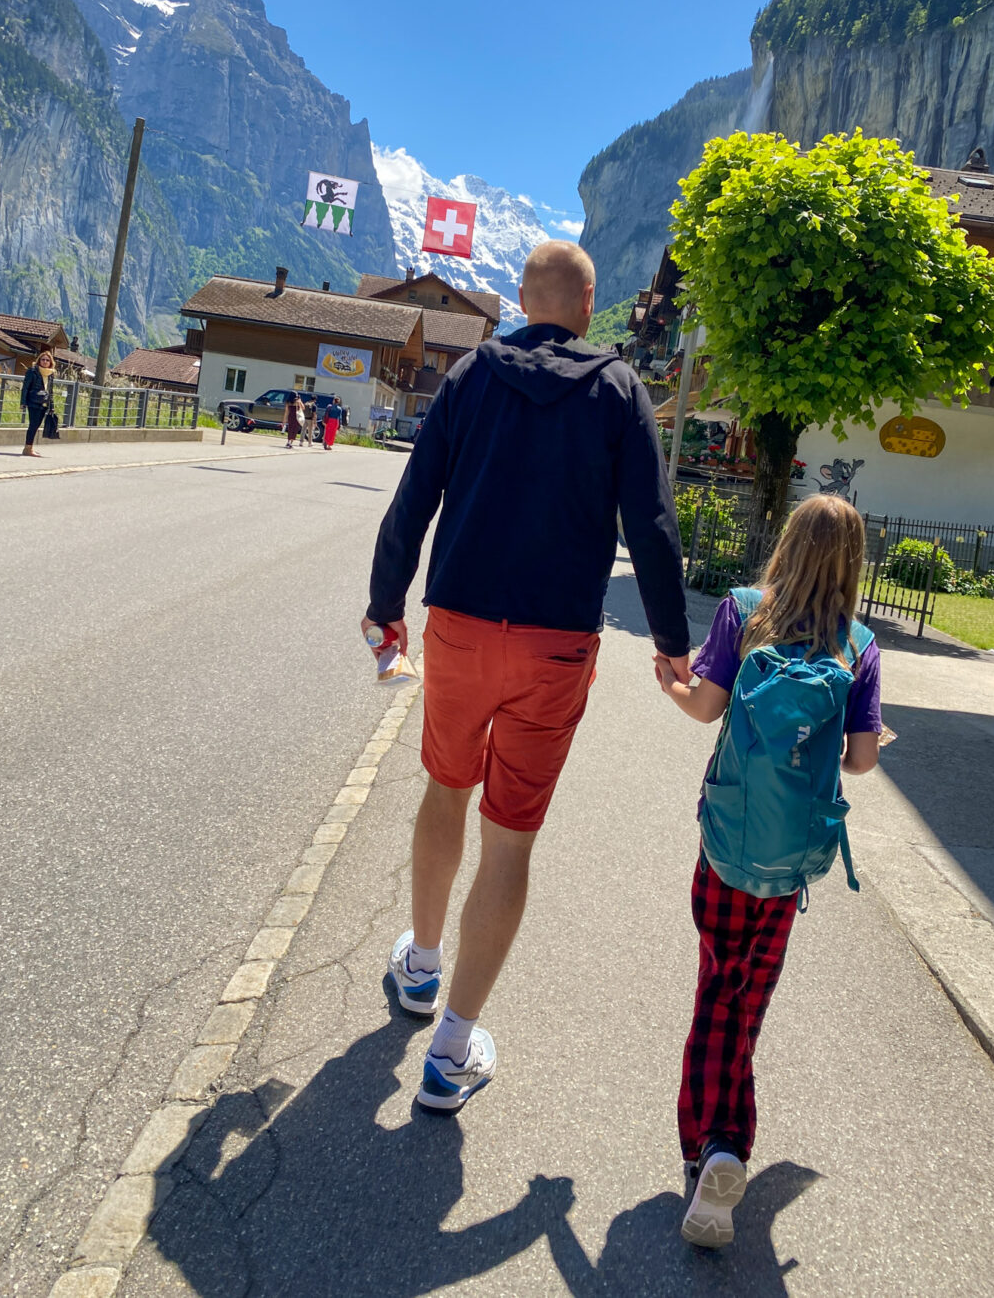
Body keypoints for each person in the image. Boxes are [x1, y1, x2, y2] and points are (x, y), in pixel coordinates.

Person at [363, 240, 690, 1112]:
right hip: (555, 648)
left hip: (463, 629)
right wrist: (671, 641)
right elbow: (651, 526)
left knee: (444, 789)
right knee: (511, 837)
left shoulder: (471, 376)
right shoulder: (621, 390)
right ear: (589, 307)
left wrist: (385, 604)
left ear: (520, 298)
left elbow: (414, 496)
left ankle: (421, 967)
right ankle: (452, 1050)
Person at [653, 493, 882, 1249]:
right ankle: (725, 1142)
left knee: (716, 984)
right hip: (792, 862)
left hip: (725, 840)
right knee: (748, 991)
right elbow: (860, 760)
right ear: (853, 562)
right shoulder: (859, 646)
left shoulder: (745, 610)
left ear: (787, 541)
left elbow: (706, 706)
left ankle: (712, 1149)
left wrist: (672, 682)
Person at [20, 349, 56, 457]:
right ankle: (27, 448)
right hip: (33, 402)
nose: (45, 362)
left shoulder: (50, 374)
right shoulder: (32, 371)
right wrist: (23, 402)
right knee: (33, 425)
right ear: (39, 360)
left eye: (47, 360)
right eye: (43, 359)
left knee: (36, 426)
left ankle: (29, 447)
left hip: (44, 403)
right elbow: (25, 387)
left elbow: (50, 391)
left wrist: (52, 406)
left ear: (50, 362)